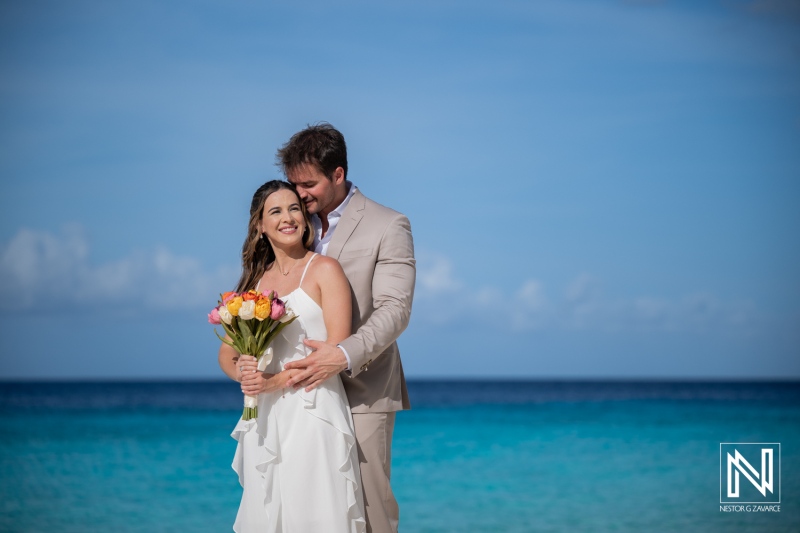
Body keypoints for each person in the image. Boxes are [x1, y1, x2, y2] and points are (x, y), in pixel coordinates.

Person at [277, 123, 416, 533]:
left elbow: (395, 310)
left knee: (370, 511)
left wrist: (342, 355)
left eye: (309, 184)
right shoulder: (292, 224)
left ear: (338, 174)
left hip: (363, 391)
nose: (299, 195)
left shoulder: (389, 224)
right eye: (293, 183)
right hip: (300, 396)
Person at [218, 180, 366, 533]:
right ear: (260, 225)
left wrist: (274, 382)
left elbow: (336, 350)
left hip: (314, 409)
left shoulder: (325, 270)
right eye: (276, 211)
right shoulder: (252, 285)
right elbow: (227, 352)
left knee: (314, 511)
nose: (288, 217)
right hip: (265, 417)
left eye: (294, 208)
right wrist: (245, 374)